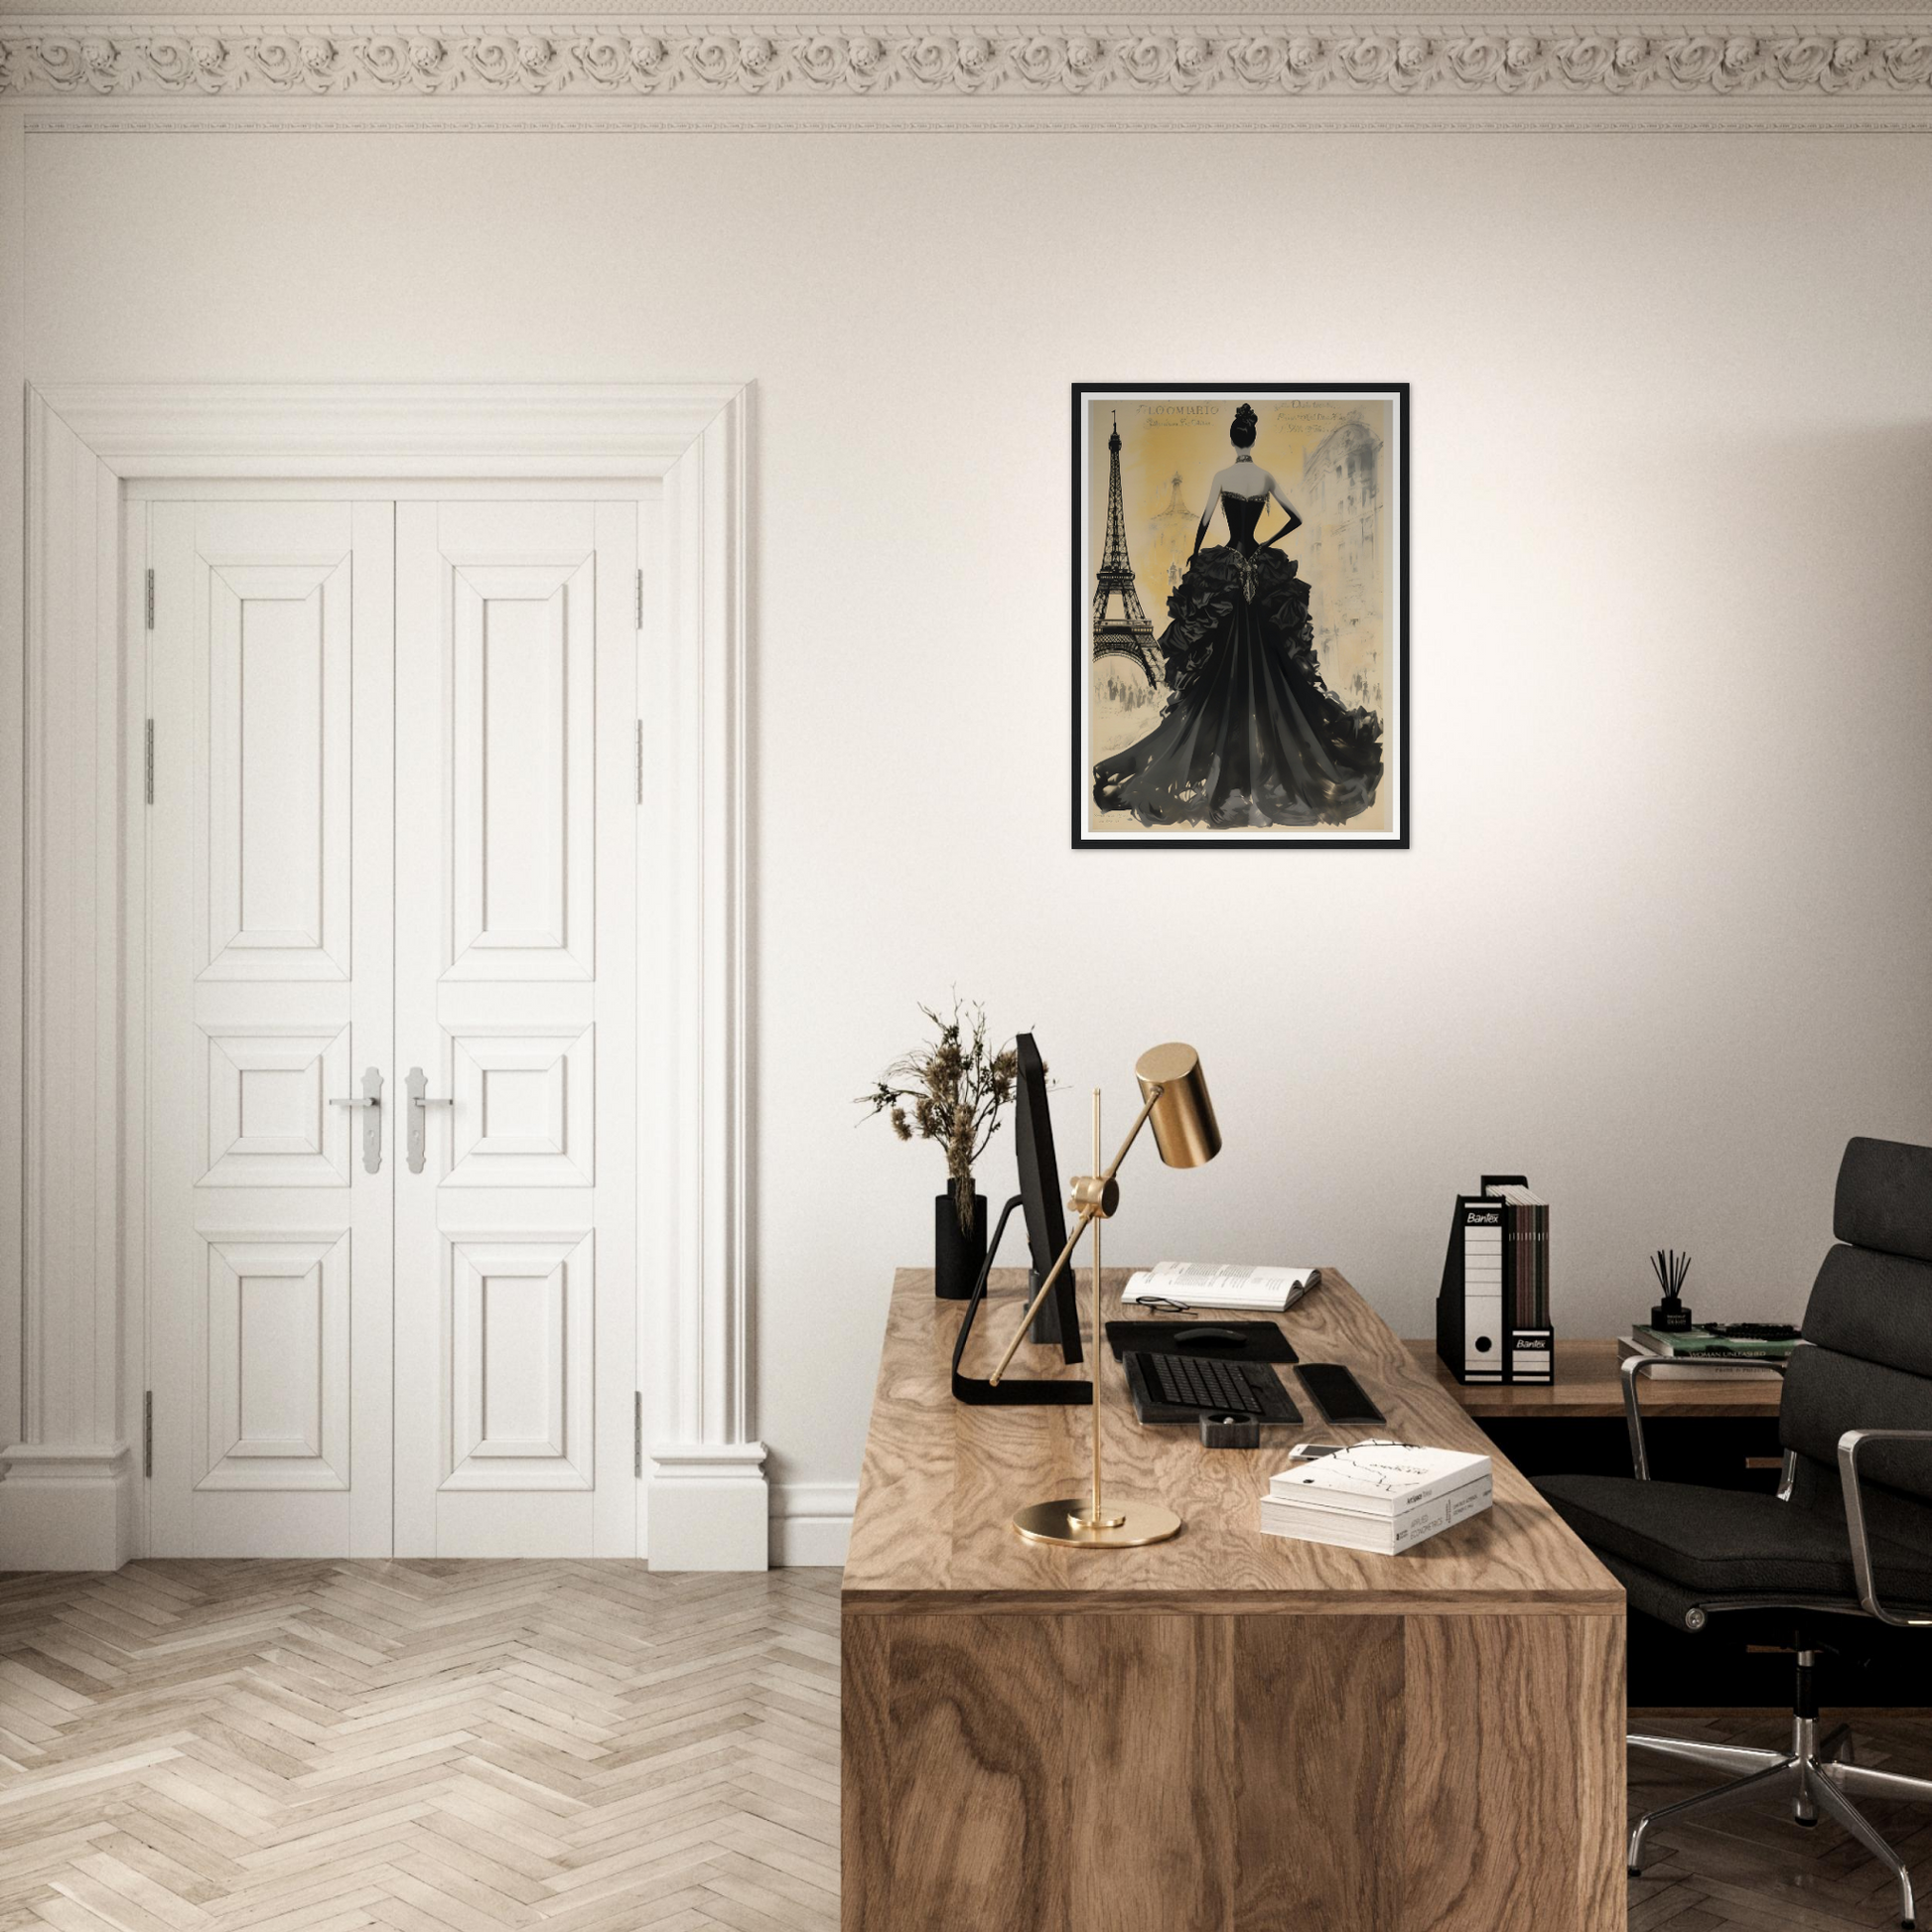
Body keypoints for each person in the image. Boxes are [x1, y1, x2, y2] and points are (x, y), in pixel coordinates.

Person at [1092, 403, 1383, 829]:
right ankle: (1267, 761)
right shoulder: (1264, 478)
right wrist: (1264, 545)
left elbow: (1205, 524)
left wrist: (1197, 559)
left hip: (1228, 573)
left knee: (1222, 675)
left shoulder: (1221, 478)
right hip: (1258, 574)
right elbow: (1296, 519)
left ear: (1233, 440)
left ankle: (1227, 767)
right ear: (1253, 439)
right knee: (1271, 674)